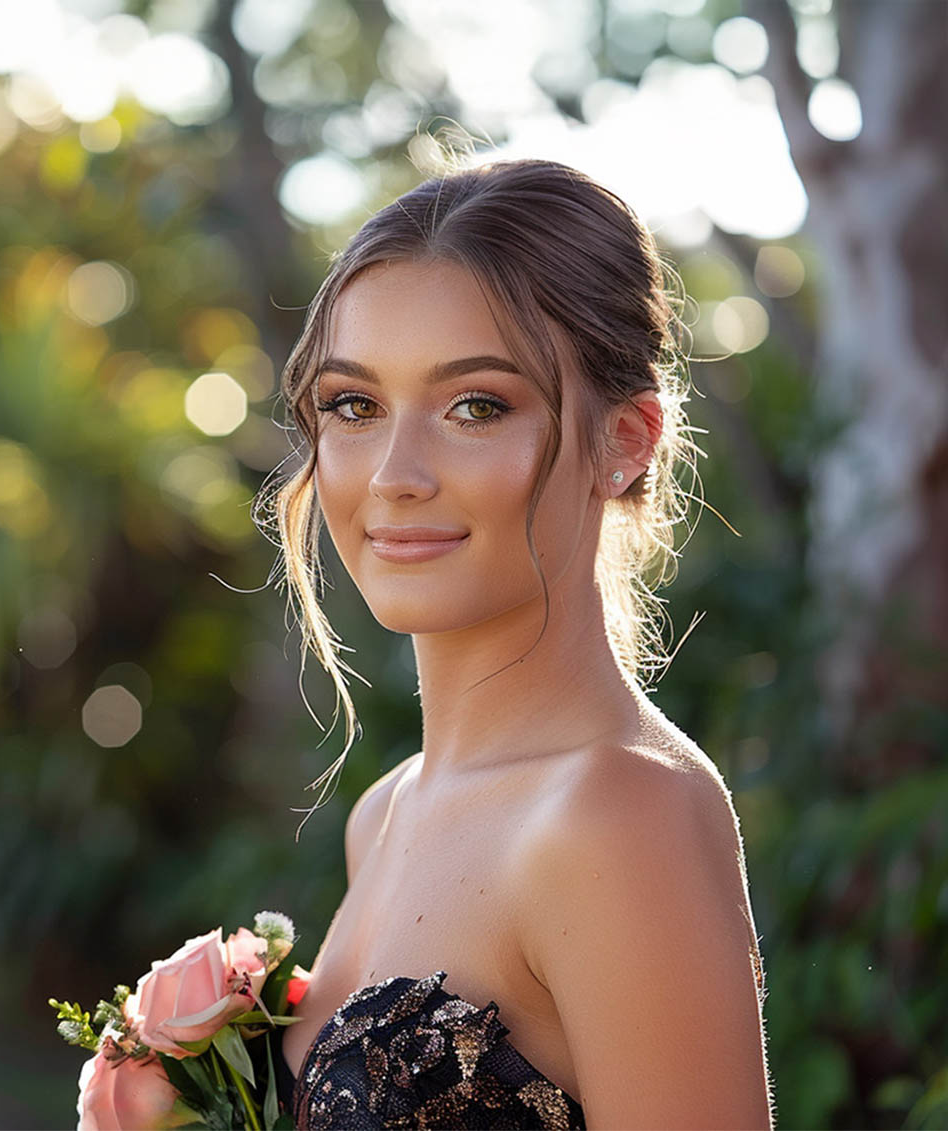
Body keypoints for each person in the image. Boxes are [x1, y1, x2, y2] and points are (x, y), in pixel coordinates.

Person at [258, 156, 775, 1129]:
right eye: (354, 406)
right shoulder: (386, 814)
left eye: (474, 406)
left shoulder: (619, 813)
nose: (395, 474)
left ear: (624, 441)